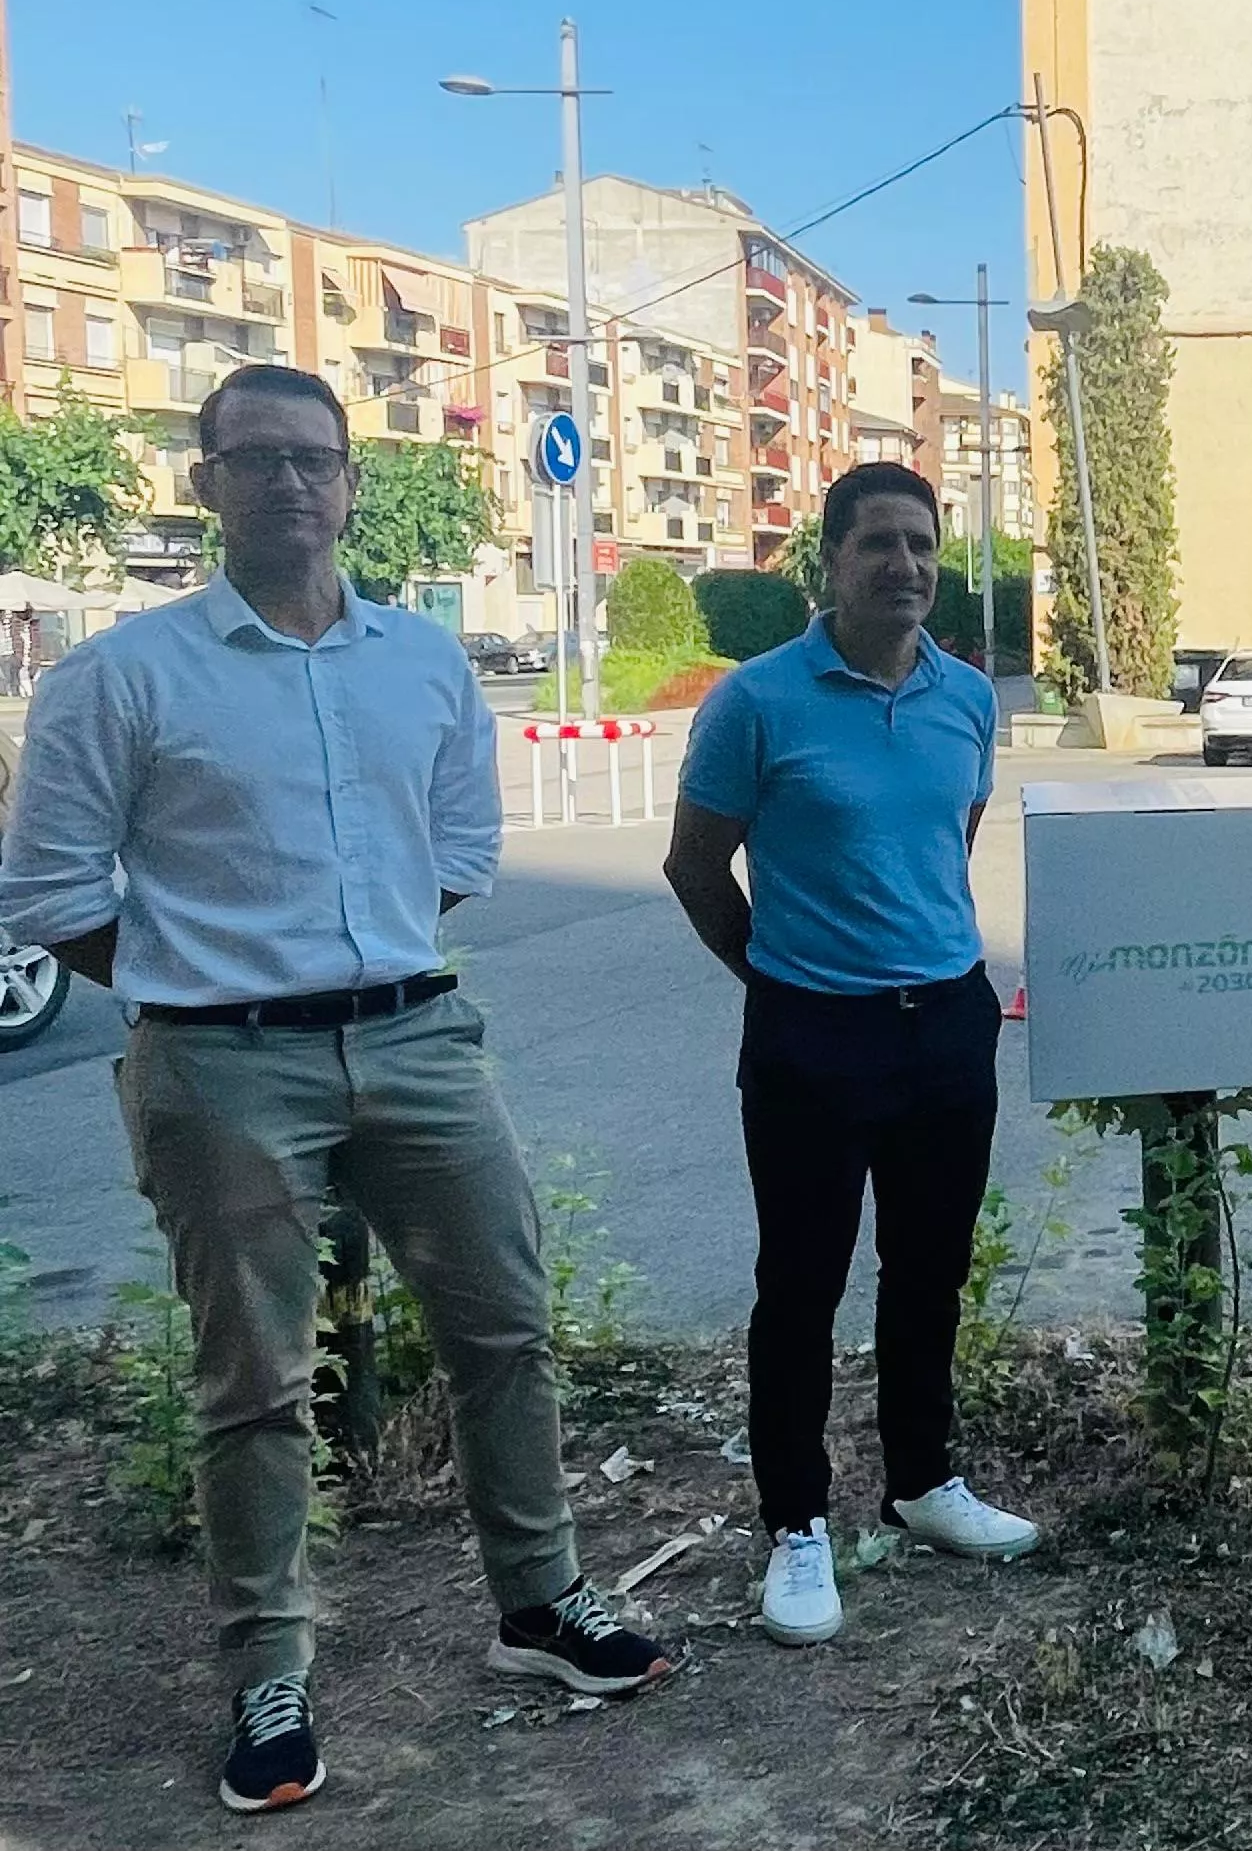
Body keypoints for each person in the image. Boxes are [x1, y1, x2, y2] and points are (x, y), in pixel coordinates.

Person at [0, 364, 672, 1817]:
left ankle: (540, 1602)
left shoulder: (420, 663)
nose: (291, 484)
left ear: (353, 481)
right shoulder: (123, 676)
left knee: (507, 1327)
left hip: (419, 1039)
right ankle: (269, 1669)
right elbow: (51, 890)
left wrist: (351, 963)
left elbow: (457, 846)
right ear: (206, 482)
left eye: (316, 459)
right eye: (258, 459)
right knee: (254, 1378)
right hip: (220, 1058)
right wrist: (205, 980)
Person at [664, 462, 1036, 1650]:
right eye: (879, 542)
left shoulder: (967, 698)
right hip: (812, 1033)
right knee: (803, 1286)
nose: (907, 565)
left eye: (922, 543)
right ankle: (796, 1525)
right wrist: (780, 977)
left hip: (947, 1022)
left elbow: (946, 841)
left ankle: (923, 1481)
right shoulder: (757, 702)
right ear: (828, 561)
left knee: (930, 1269)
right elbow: (694, 866)